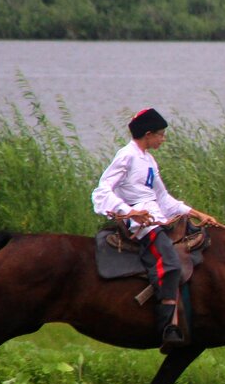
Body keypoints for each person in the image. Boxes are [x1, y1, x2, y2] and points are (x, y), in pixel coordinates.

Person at [92, 108, 218, 354]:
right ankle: (167, 328)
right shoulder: (126, 156)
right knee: (170, 264)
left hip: (157, 217)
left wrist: (196, 213)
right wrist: (128, 212)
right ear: (148, 134)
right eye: (160, 135)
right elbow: (102, 190)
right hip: (143, 223)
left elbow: (163, 198)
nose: (163, 139)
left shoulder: (148, 159)